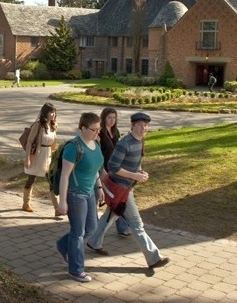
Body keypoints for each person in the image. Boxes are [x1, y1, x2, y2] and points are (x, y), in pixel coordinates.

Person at [87, 112, 170, 270]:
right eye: (139, 125)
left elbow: (134, 163)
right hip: (120, 189)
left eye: (145, 126)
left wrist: (140, 172)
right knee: (137, 224)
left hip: (126, 187)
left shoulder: (140, 141)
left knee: (111, 215)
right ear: (132, 126)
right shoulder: (124, 143)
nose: (142, 128)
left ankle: (93, 241)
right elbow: (113, 167)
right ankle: (154, 258)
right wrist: (134, 175)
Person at [55, 112, 105, 283]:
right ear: (83, 128)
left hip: (90, 192)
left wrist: (99, 187)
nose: (98, 133)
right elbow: (65, 176)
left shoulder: (95, 143)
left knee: (91, 228)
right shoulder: (73, 147)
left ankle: (63, 246)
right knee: (78, 233)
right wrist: (62, 201)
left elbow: (95, 169)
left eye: (99, 129)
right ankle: (76, 270)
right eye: (94, 130)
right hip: (75, 195)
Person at [98, 107, 131, 236]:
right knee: (110, 198)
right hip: (104, 170)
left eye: (114, 118)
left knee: (116, 198)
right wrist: (103, 170)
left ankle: (122, 226)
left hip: (116, 170)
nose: (112, 120)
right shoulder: (100, 133)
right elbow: (99, 153)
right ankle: (95, 227)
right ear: (104, 118)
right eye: (109, 118)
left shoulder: (115, 132)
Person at [22, 102, 59, 216]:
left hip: (48, 155)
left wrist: (55, 155)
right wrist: (27, 158)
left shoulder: (54, 125)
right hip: (37, 155)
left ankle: (57, 208)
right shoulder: (39, 125)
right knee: (31, 178)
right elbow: (29, 141)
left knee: (51, 180)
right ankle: (26, 203)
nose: (52, 114)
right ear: (45, 112)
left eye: (53, 112)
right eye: (50, 112)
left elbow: (54, 142)